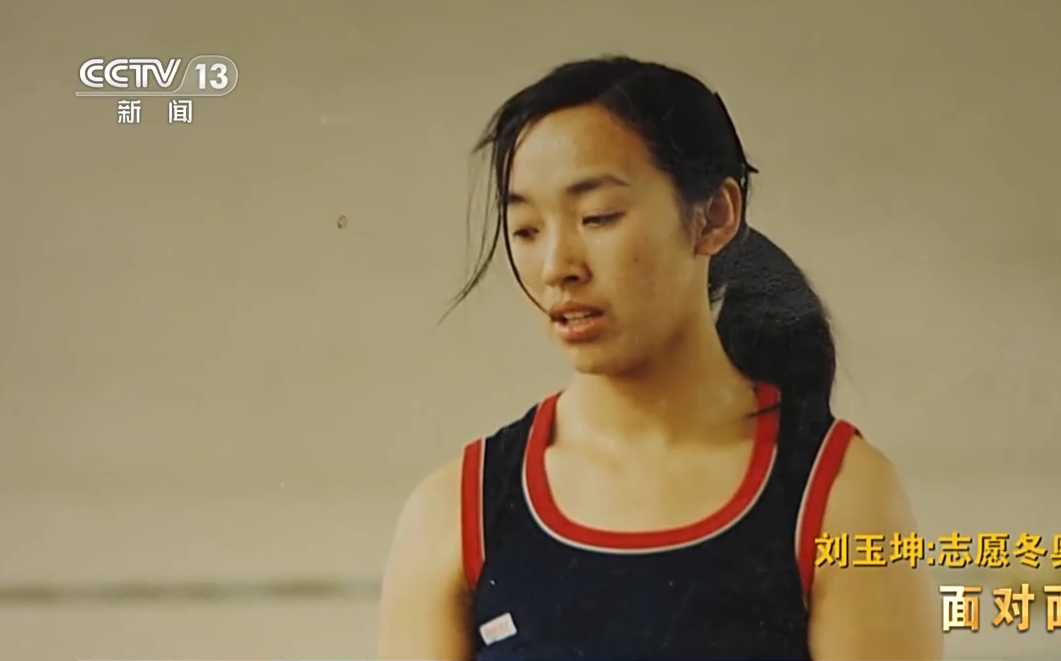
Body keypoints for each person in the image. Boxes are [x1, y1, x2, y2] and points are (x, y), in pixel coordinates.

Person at [377, 56, 941, 661]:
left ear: (714, 217)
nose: (557, 267)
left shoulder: (842, 497)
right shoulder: (455, 514)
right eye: (526, 230)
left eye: (598, 217)